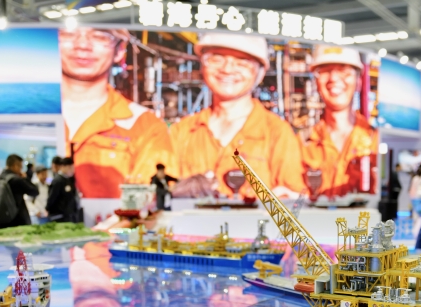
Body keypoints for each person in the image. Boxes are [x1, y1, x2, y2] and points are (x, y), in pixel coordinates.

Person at [169, 33, 303, 199]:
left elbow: (295, 200)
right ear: (202, 65)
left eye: (242, 62)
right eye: (217, 59)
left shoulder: (277, 133)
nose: (227, 69)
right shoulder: (181, 133)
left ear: (260, 73)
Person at [59, 28, 174, 199]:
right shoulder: (28, 112)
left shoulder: (145, 126)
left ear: (120, 50)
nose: (82, 45)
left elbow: (147, 201)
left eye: (99, 36)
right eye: (69, 33)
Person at [300, 45, 377, 199]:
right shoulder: (302, 143)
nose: (334, 78)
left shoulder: (375, 140)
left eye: (344, 70)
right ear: (316, 82)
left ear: (358, 81)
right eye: (325, 71)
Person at [0, 154, 38, 229]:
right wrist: (25, 178)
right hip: (18, 221)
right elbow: (35, 191)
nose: (21, 170)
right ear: (15, 166)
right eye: (20, 167)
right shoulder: (16, 180)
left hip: (0, 221)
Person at [47, 157, 79, 223]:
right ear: (62, 167)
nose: (72, 170)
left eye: (73, 168)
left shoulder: (69, 179)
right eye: (70, 168)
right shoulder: (58, 180)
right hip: (60, 217)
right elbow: (52, 198)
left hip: (69, 215)